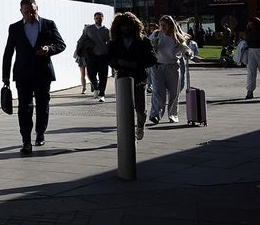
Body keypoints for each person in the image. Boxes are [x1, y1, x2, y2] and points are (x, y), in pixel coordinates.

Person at [1, 0, 66, 156]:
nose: (30, 15)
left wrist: (49, 49)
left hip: (43, 73)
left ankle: (40, 133)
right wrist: (5, 76)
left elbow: (61, 44)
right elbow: (8, 52)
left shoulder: (49, 24)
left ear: (38, 9)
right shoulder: (14, 28)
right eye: (27, 12)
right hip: (23, 74)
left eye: (33, 11)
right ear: (21, 12)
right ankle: (26, 141)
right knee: (25, 107)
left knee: (43, 106)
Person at [108, 12, 157, 141]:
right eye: (123, 26)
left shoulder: (143, 40)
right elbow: (109, 58)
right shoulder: (114, 42)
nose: (126, 29)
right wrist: (117, 63)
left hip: (139, 77)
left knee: (140, 108)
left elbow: (152, 59)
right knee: (124, 107)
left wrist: (136, 63)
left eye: (128, 26)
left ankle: (140, 126)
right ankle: (126, 133)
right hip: (122, 77)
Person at [148, 15, 192, 125]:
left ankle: (173, 114)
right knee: (158, 92)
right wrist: (152, 48)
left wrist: (188, 53)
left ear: (170, 25)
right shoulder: (156, 34)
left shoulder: (177, 37)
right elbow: (147, 45)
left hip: (172, 66)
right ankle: (155, 114)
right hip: (157, 66)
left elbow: (186, 49)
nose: (162, 27)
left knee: (174, 92)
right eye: (161, 25)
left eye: (164, 25)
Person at [81, 12, 111, 102]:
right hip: (91, 55)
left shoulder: (106, 30)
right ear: (94, 19)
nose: (98, 19)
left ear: (103, 18)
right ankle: (96, 87)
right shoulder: (89, 29)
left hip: (103, 56)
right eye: (97, 18)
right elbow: (82, 39)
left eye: (100, 18)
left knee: (103, 76)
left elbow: (109, 43)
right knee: (91, 74)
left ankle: (102, 94)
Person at [243, 16, 260, 99]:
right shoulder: (248, 31)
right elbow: (246, 39)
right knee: (251, 71)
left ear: (257, 24)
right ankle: (250, 91)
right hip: (251, 51)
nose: (251, 25)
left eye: (252, 24)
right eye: (250, 24)